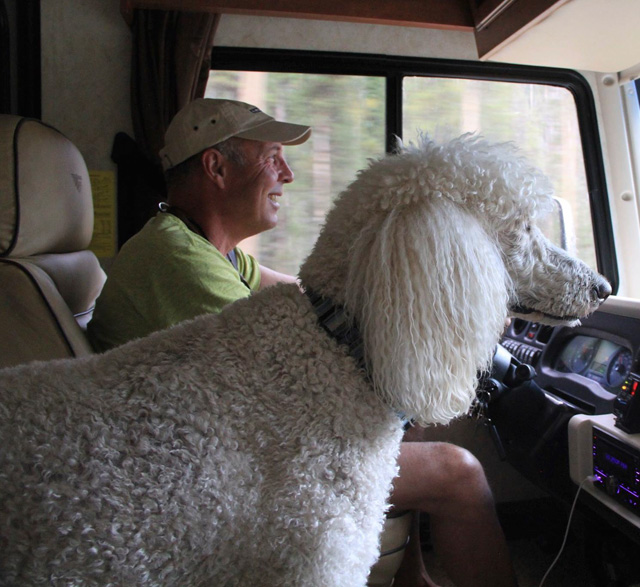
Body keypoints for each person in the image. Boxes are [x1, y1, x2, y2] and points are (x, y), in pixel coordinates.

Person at [87, 98, 517, 587]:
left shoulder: (213, 251)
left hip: (232, 442)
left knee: (397, 418)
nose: (287, 174)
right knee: (457, 472)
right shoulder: (174, 256)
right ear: (216, 167)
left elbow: (307, 296)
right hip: (202, 469)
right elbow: (280, 383)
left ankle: (411, 577)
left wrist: (434, 307)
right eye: (272, 156)